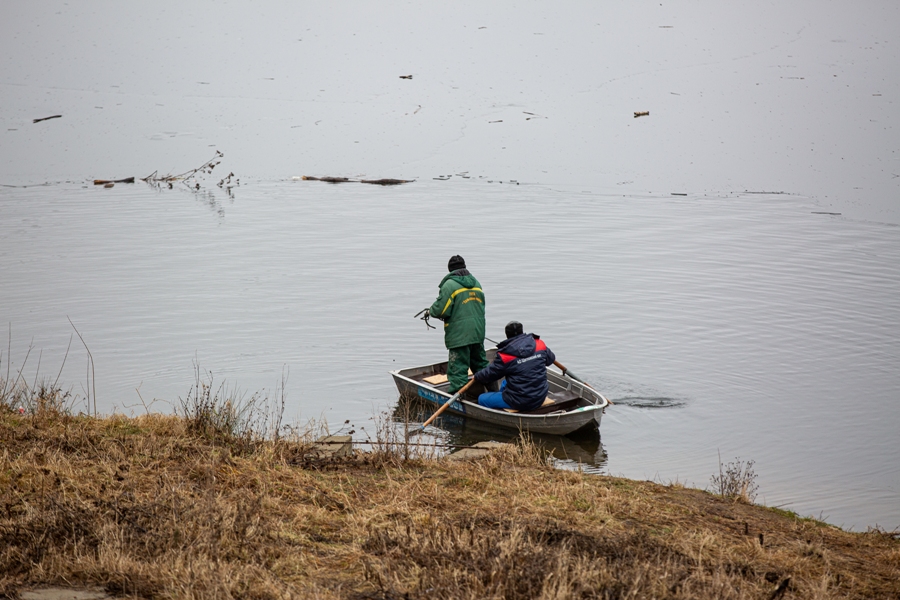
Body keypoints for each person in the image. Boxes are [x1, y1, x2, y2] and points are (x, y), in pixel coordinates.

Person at [426, 255, 488, 393]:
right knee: (481, 364)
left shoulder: (450, 285)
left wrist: (430, 311)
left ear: (450, 270)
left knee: (458, 368)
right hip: (478, 332)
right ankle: (491, 389)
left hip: (460, 335)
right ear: (465, 267)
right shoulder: (477, 284)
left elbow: (440, 310)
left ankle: (458, 399)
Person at [474, 321, 556, 412]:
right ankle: (502, 398)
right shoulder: (539, 344)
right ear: (522, 331)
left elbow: (489, 375)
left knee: (482, 398)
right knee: (505, 382)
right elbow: (550, 360)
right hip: (540, 396)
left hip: (519, 401)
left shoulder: (505, 356)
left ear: (507, 335)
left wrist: (477, 376)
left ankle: (501, 409)